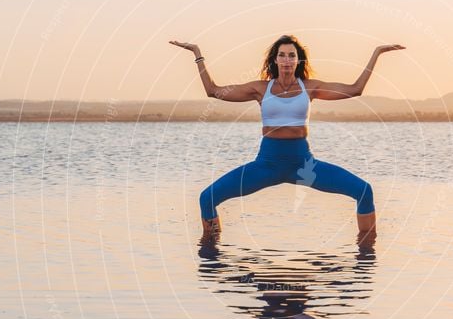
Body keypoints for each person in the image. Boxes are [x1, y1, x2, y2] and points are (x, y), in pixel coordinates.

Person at [169, 34, 405, 238]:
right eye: (282, 55)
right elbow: (213, 91)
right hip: (266, 165)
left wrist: (376, 53)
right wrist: (197, 53)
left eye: (292, 55)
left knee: (364, 191)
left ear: (298, 60)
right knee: (207, 198)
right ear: (275, 59)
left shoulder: (309, 87)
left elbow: (355, 89)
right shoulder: (260, 89)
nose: (287, 60)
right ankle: (211, 253)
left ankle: (366, 257)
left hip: (304, 166)